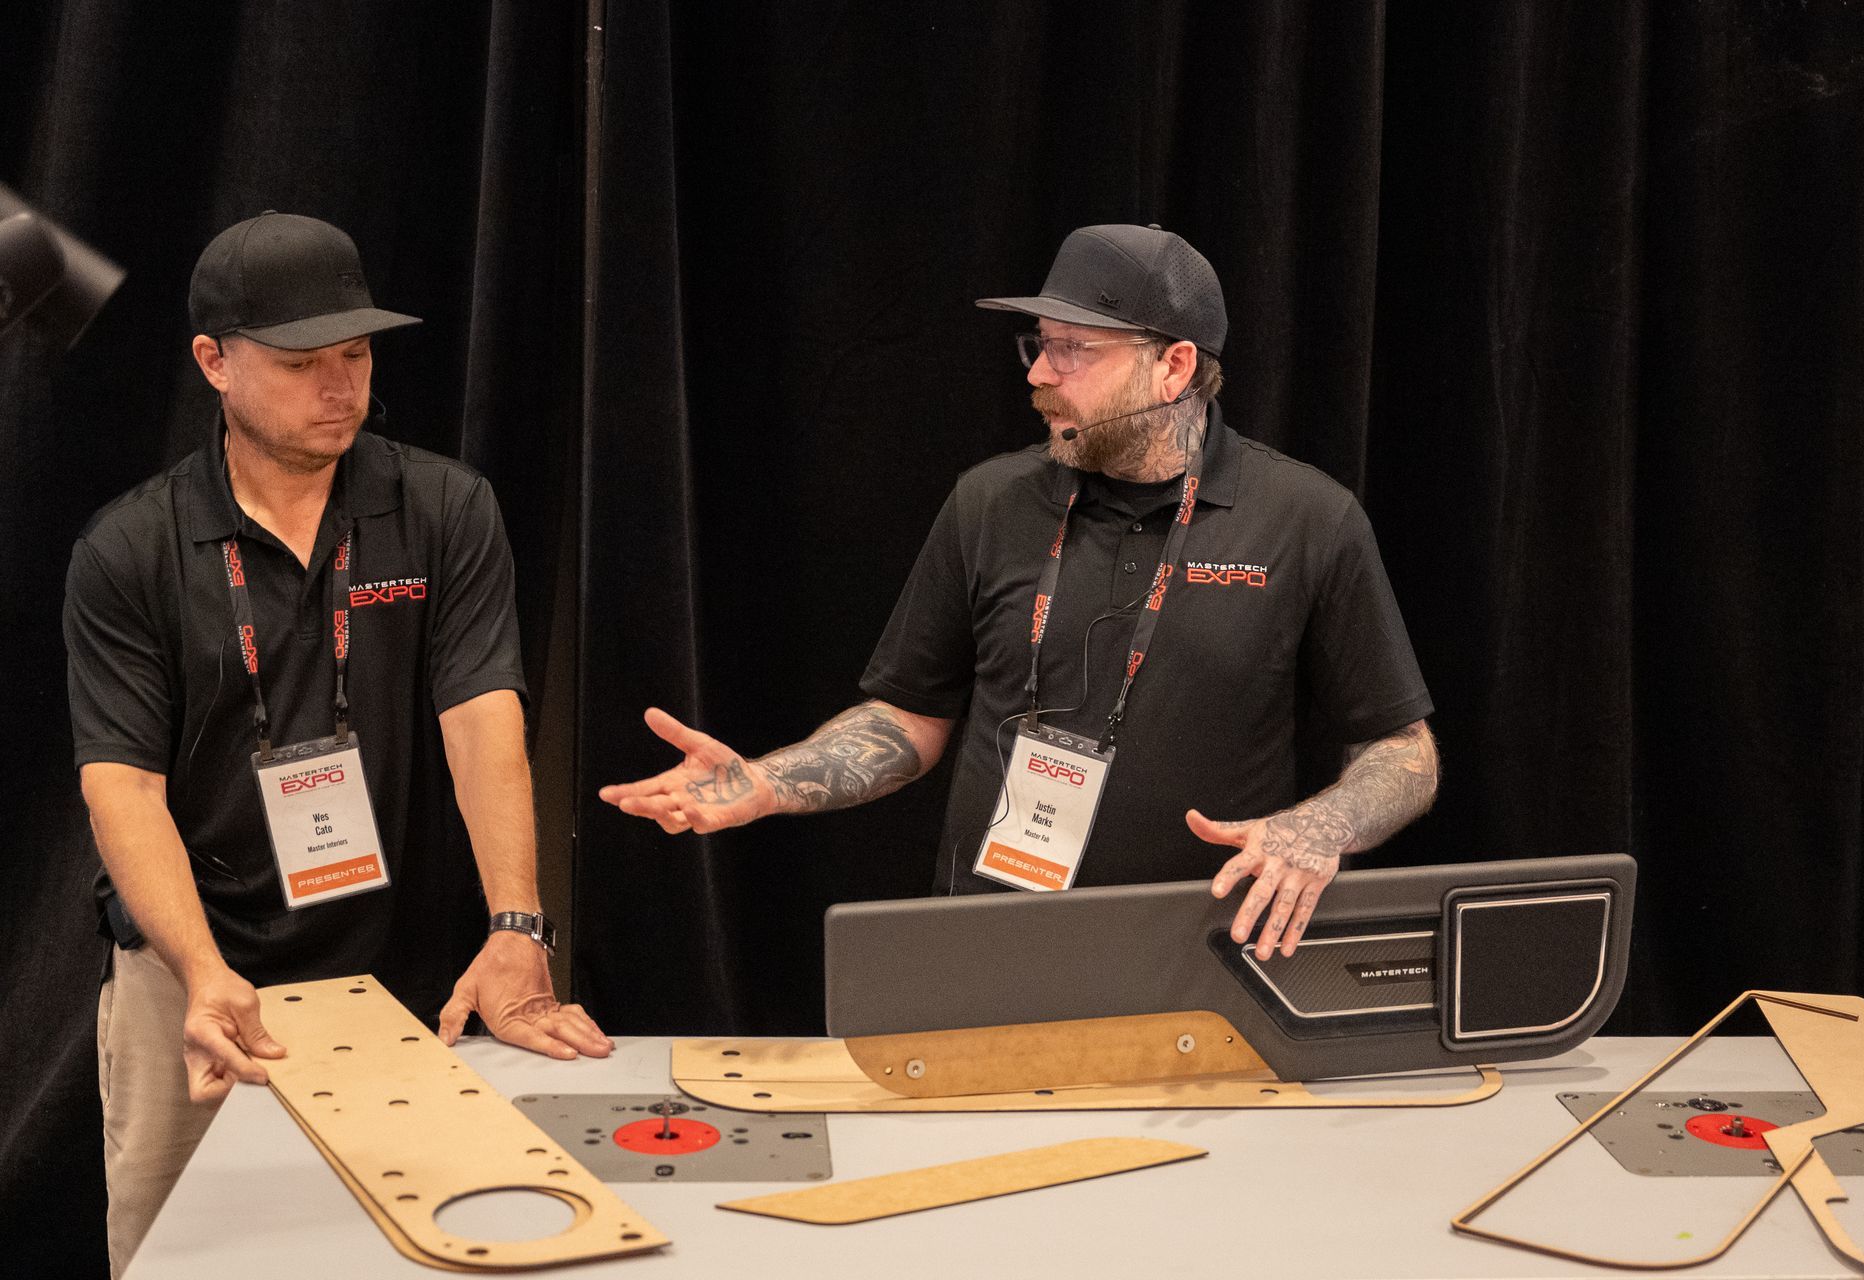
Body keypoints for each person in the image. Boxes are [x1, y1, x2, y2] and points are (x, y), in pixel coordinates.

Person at [600, 223, 1438, 965]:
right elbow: (908, 718)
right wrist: (766, 783)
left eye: (1074, 349)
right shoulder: (992, 502)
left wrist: (1318, 828)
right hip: (988, 951)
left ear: (1174, 366)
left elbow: (1404, 752)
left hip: (1205, 962)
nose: (1039, 372)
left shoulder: (1307, 519)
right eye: (1039, 344)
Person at [65, 212, 610, 1277]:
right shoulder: (131, 547)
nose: (340, 388)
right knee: (184, 1252)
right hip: (192, 969)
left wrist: (515, 922)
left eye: (356, 355)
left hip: (391, 960)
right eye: (301, 363)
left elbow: (483, 718)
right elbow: (121, 785)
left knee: (400, 1246)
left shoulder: (441, 507)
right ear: (213, 362)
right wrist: (202, 971)